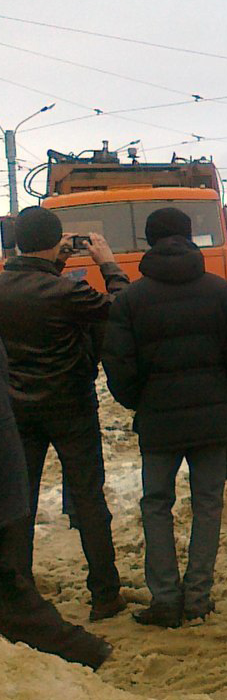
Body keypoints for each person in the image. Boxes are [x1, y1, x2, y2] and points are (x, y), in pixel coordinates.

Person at [102, 208, 227, 627]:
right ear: (189, 238)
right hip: (211, 420)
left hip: (157, 422)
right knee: (208, 504)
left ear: (150, 242)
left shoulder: (132, 298)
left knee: (156, 504)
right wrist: (222, 395)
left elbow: (118, 364)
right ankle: (198, 597)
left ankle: (166, 598)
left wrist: (142, 401)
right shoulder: (221, 291)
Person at [0, 206, 127, 622]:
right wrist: (107, 263)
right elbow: (122, 309)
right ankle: (105, 594)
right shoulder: (67, 292)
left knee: (21, 502)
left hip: (17, 409)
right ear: (57, 243)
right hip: (71, 406)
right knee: (89, 498)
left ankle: (19, 593)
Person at [0, 341, 112, 670]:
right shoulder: (67, 296)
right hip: (64, 407)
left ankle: (81, 649)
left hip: (22, 431)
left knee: (10, 591)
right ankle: (104, 595)